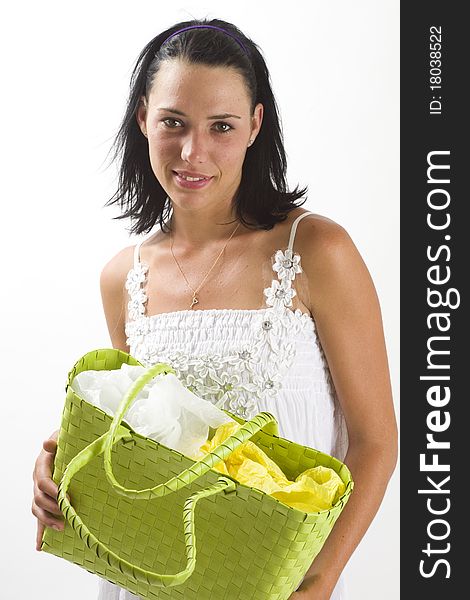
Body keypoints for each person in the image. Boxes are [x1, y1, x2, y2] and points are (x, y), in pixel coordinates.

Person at [31, 17, 398, 600]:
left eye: (220, 127)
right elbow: (142, 433)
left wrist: (322, 579)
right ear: (143, 118)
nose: (192, 152)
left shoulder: (316, 251)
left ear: (255, 125)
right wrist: (60, 457)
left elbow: (376, 441)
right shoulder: (124, 278)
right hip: (142, 580)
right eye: (172, 122)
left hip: (274, 586)